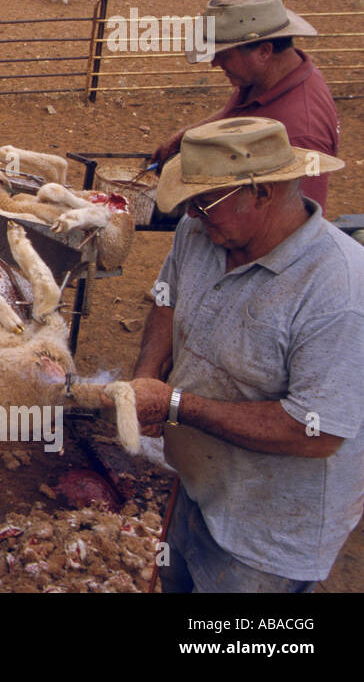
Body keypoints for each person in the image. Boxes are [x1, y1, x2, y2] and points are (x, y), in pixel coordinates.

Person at [125, 117, 360, 592]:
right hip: (196, 483)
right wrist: (149, 374)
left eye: (204, 201)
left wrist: (174, 405)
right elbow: (169, 294)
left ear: (263, 193)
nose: (192, 214)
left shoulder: (339, 292)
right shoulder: (204, 232)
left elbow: (315, 432)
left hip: (267, 530)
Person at [149, 0, 340, 208]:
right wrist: (187, 135)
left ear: (264, 51)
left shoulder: (302, 133)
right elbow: (245, 109)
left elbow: (298, 224)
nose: (214, 63)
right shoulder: (270, 77)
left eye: (224, 54)